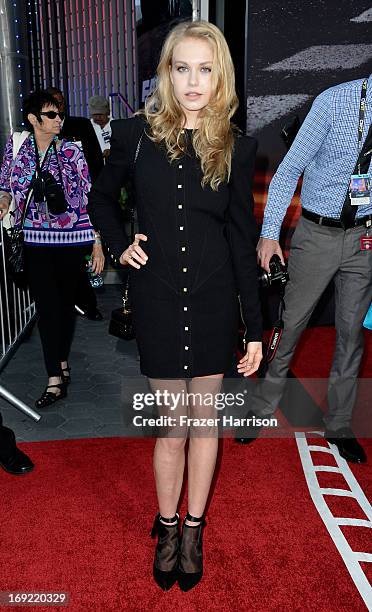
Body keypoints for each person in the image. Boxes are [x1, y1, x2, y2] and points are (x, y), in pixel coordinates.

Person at [88, 21, 262, 591]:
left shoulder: (237, 145)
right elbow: (100, 199)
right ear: (166, 73)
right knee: (172, 427)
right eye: (181, 68)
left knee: (204, 422)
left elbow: (242, 240)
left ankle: (192, 529)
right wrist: (118, 245)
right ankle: (166, 527)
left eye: (204, 69)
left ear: (221, 78)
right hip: (158, 298)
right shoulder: (135, 134)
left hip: (213, 301)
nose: (193, 81)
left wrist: (255, 329)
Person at [236, 75, 372, 463]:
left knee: (351, 335)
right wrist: (269, 235)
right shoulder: (335, 102)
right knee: (290, 325)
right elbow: (288, 169)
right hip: (317, 234)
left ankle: (340, 423)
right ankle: (262, 407)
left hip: (364, 238)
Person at [0, 90, 104, 408]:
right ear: (33, 119)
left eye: (59, 113)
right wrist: (4, 201)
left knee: (63, 306)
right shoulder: (17, 148)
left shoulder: (71, 151)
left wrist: (97, 243)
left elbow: (88, 197)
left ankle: (60, 360)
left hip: (72, 240)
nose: (59, 119)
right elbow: (5, 185)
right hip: (34, 240)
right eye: (51, 115)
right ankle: (54, 377)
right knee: (47, 308)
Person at [46, 86, 104, 321]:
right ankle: (72, 301)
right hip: (55, 205)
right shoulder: (43, 129)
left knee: (85, 252)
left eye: (60, 102)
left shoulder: (80, 125)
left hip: (84, 199)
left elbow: (96, 160)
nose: (58, 107)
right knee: (64, 256)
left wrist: (99, 193)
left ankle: (87, 303)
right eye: (52, 103)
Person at [88, 95, 112, 159]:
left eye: (101, 114)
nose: (98, 117)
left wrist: (113, 152)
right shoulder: (87, 127)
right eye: (95, 115)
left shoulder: (117, 127)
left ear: (108, 112)